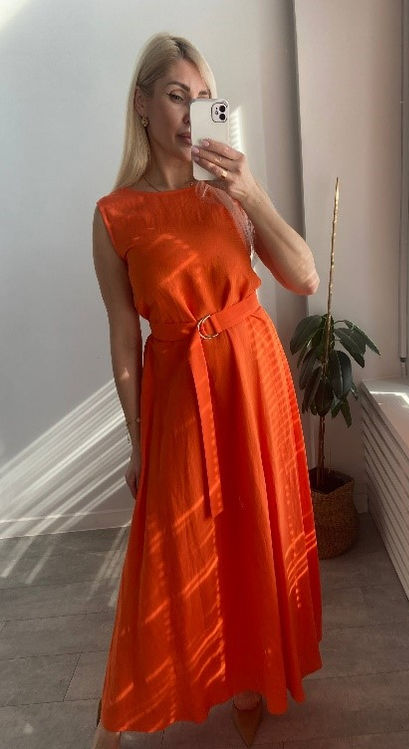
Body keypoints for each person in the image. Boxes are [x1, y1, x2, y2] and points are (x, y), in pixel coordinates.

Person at [91, 31, 323, 749]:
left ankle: (253, 673)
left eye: (202, 98)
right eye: (175, 95)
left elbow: (305, 276)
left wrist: (250, 191)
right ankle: (129, 701)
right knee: (174, 544)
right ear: (142, 104)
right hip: (177, 388)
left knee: (254, 523)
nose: (191, 112)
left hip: (252, 375)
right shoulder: (115, 215)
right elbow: (123, 341)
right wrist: (137, 441)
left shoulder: (229, 195)